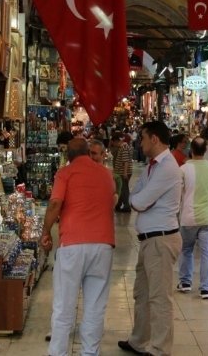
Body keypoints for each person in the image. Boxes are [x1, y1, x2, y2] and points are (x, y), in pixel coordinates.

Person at [40, 138, 116, 356]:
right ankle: (90, 353)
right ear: (87, 152)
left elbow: (55, 203)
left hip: (73, 244)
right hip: (103, 244)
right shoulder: (105, 174)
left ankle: (58, 353)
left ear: (68, 154)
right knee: (95, 307)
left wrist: (46, 232)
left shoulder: (65, 173)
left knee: (64, 306)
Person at [118, 121, 182, 356]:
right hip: (149, 240)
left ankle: (159, 348)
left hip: (161, 240)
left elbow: (139, 201)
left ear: (154, 139)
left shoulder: (167, 168)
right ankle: (139, 340)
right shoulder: (151, 167)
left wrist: (139, 199)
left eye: (143, 138)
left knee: (159, 297)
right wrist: (139, 198)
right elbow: (136, 193)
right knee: (142, 294)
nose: (140, 143)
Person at [176, 137, 208, 299]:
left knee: (186, 250)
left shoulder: (183, 170)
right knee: (207, 253)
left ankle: (186, 282)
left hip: (188, 218)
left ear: (191, 150)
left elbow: (177, 194)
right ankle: (205, 289)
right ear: (205, 151)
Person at [88, 138, 120, 207]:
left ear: (103, 154)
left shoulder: (114, 177)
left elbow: (112, 203)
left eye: (94, 153)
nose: (90, 157)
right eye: (89, 153)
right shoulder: (83, 173)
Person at [111, 132, 133, 212]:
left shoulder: (124, 147)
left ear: (117, 141)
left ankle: (126, 206)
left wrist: (125, 172)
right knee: (121, 189)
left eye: (113, 143)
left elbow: (125, 161)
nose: (113, 145)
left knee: (124, 189)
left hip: (123, 172)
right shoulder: (122, 147)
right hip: (120, 172)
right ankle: (119, 205)